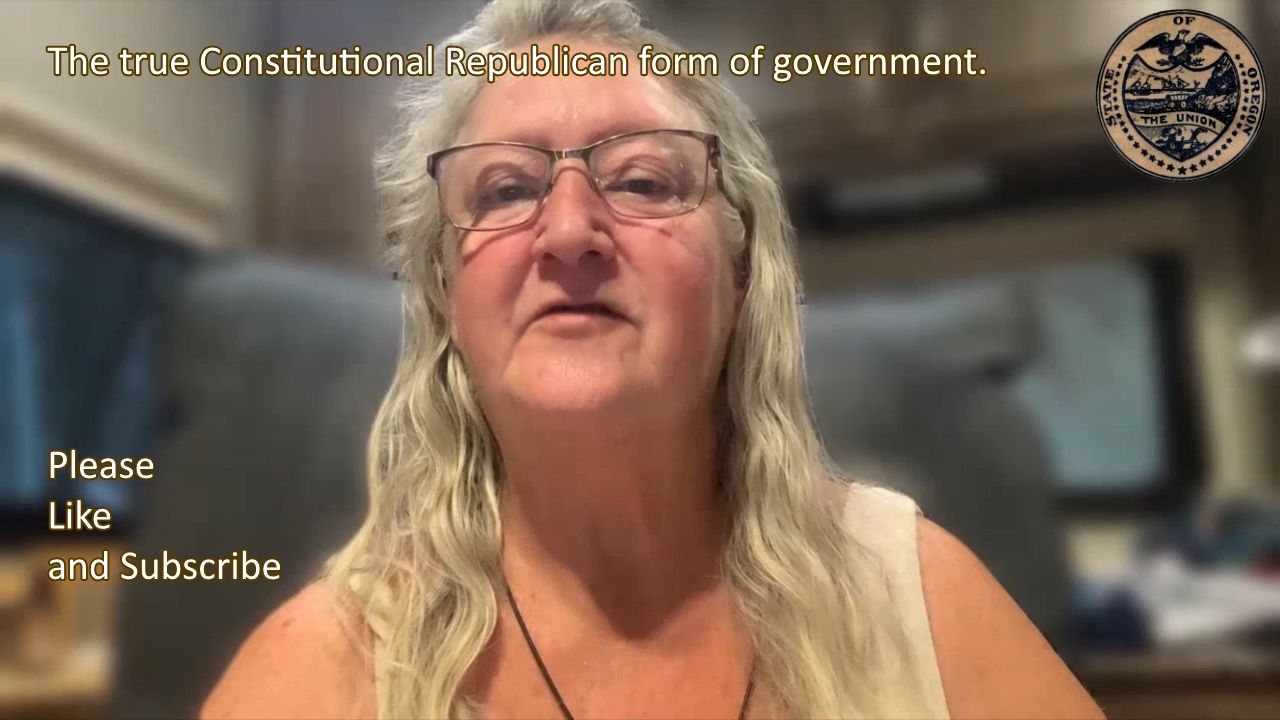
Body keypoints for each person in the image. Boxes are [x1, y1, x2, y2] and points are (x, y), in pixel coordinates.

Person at [202, 1, 1106, 718]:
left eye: (642, 180)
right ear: (446, 298)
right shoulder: (325, 668)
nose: (569, 231)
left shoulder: (914, 597)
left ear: (741, 278)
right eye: (506, 189)